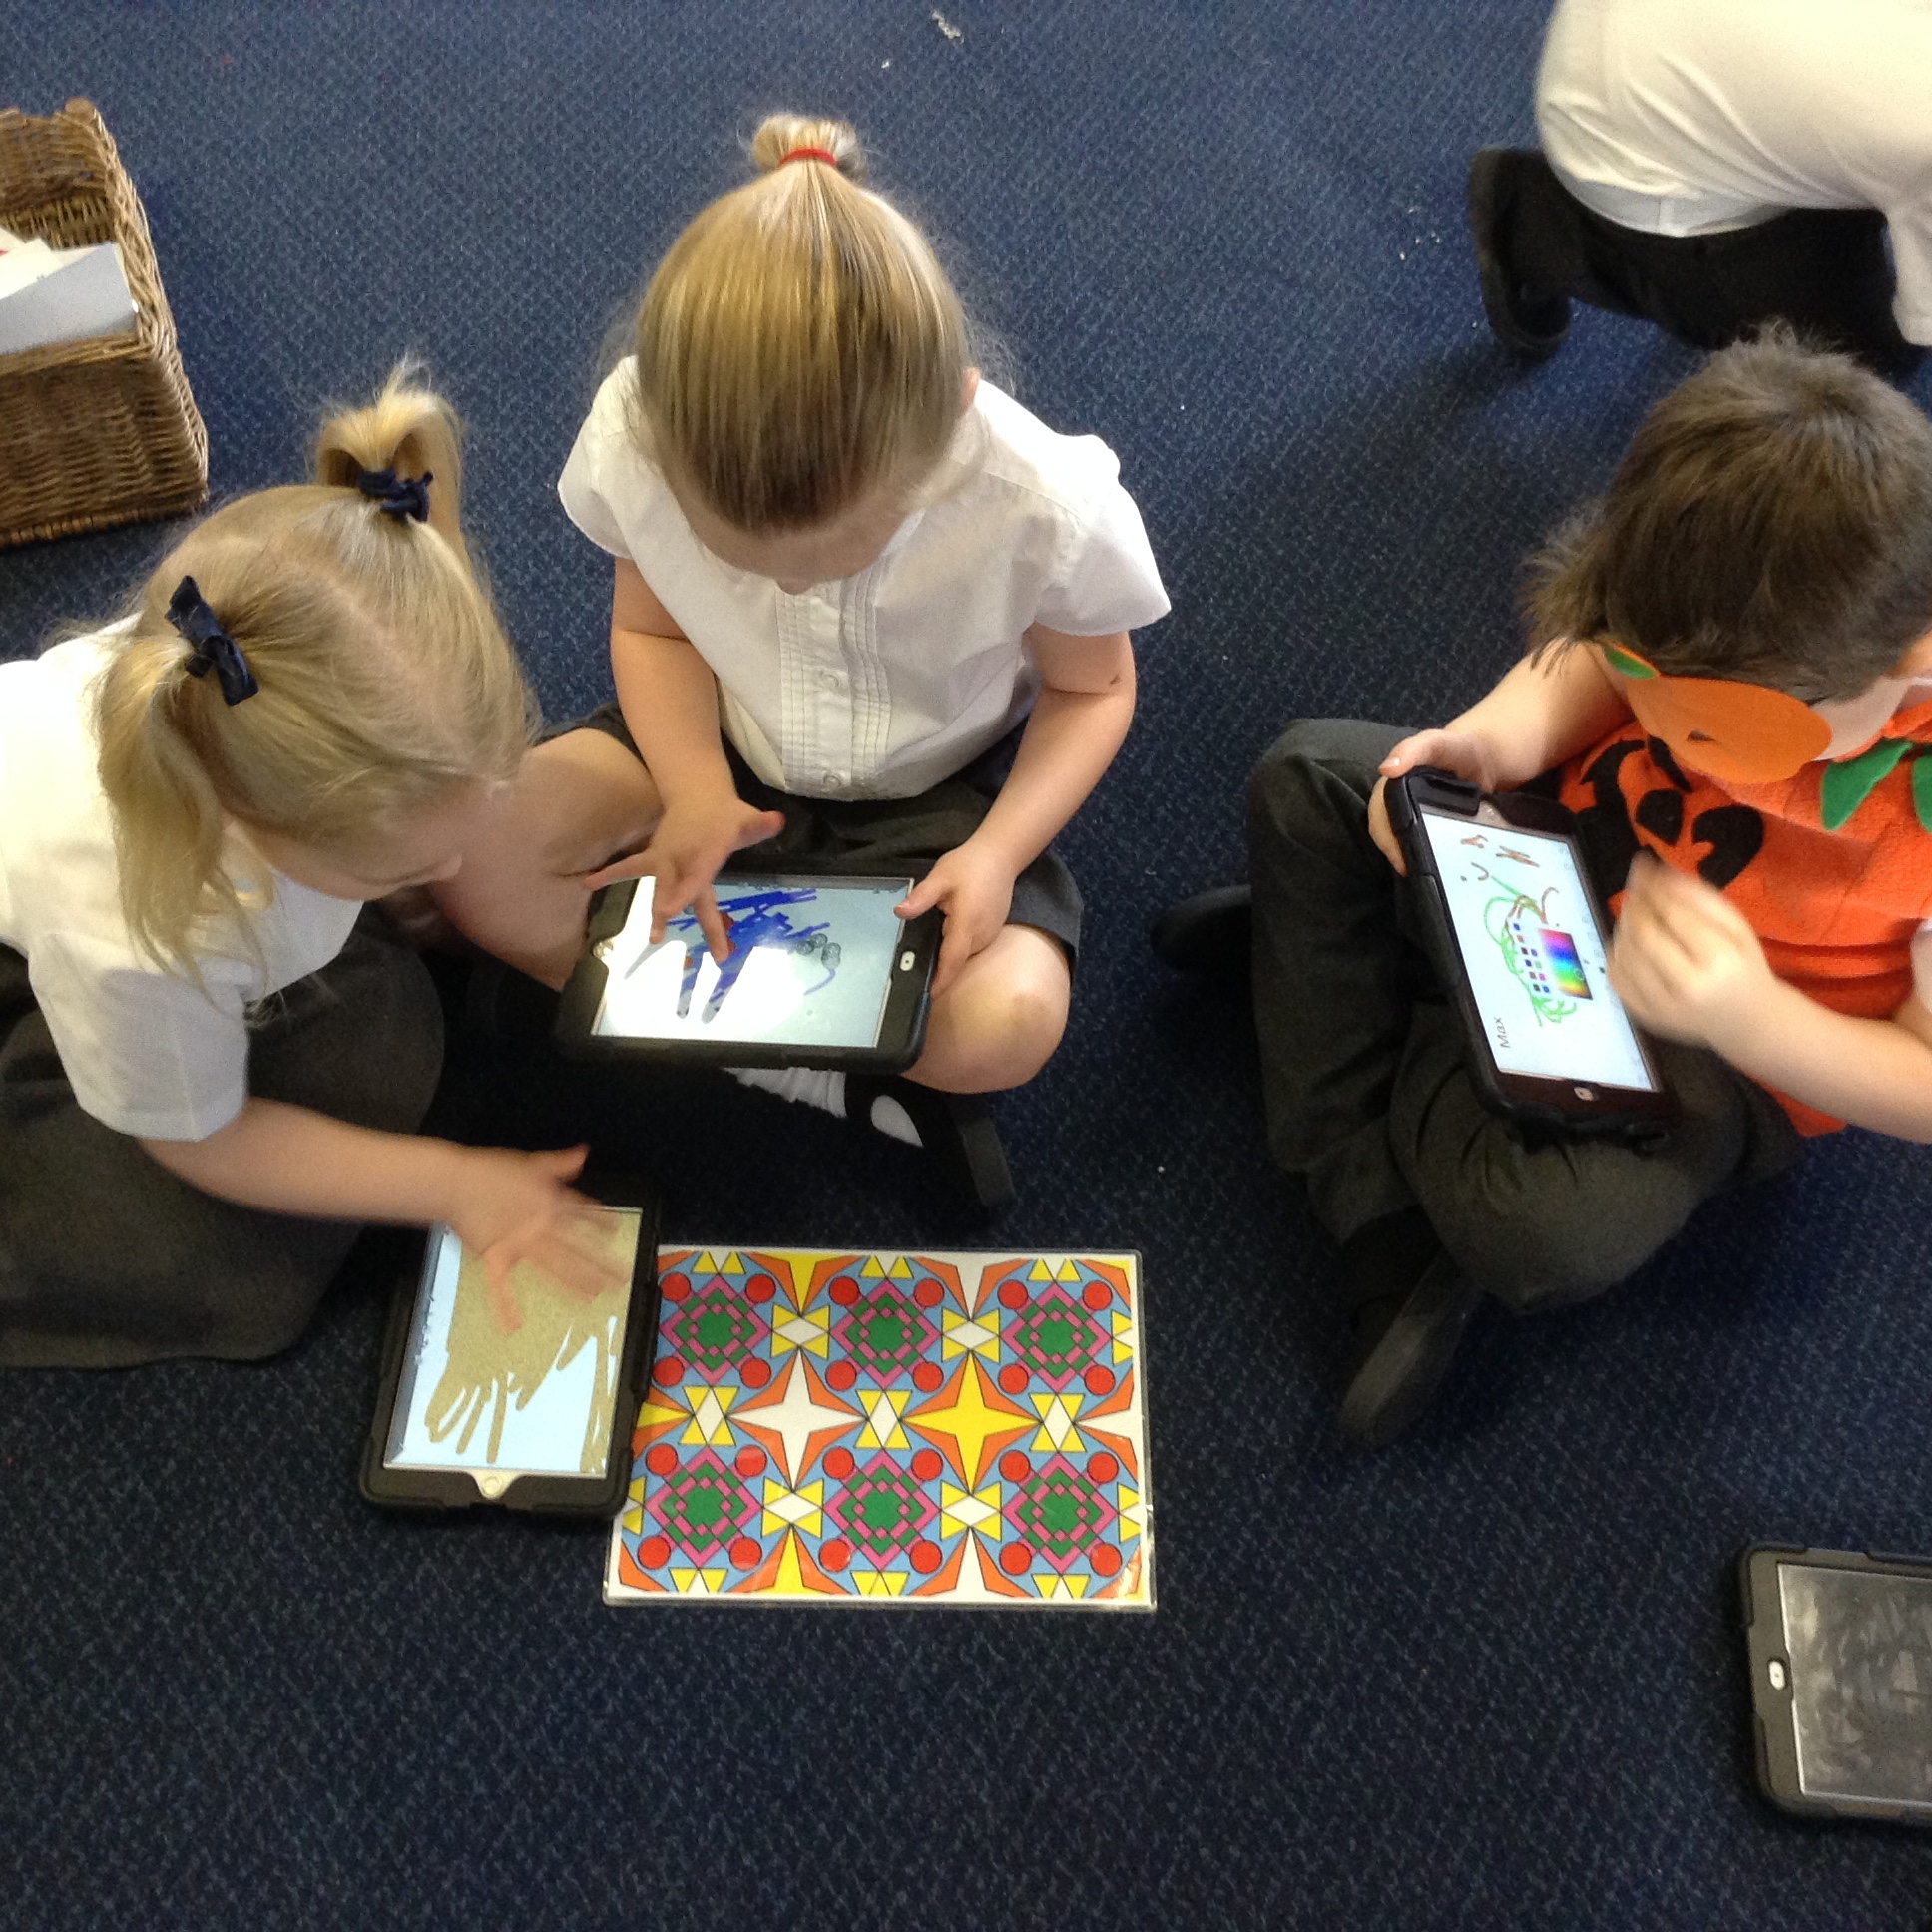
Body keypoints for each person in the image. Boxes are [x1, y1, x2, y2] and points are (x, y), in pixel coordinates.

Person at [1156, 335, 1932, 1444]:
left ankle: (1347, 998)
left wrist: (1744, 1014)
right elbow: (1589, 659)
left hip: (1718, 1052)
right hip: (1558, 856)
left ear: (1909, 658)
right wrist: (1485, 744)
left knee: (1540, 1237)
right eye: (1653, 692)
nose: (1676, 737)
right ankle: (1375, 1128)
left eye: (1721, 730)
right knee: (1308, 776)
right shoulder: (1710, 587)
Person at [434, 113, 1169, 1207]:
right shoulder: (643, 436)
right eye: (744, 561)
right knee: (468, 859)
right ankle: (833, 1064)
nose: (782, 591)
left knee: (1009, 1021)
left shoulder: (1041, 505)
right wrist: (690, 791)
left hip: (929, 808)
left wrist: (1002, 854)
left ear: (945, 426)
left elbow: (1095, 687)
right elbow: (653, 630)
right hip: (714, 751)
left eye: (826, 562)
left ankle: (703, 1027)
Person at [0, 372, 620, 1368]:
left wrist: (402, 869)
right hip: (65, 950)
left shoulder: (248, 666)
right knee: (217, 1266)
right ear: (259, 824)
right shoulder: (142, 937)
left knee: (388, 1021)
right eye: (415, 861)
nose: (459, 872)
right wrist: (453, 1183)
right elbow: (197, 1141)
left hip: (172, 898)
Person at [1467, 0, 1931, 373]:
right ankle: (1537, 221)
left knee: (1877, 174)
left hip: (1660, 39)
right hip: (1627, 136)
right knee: (1856, 370)